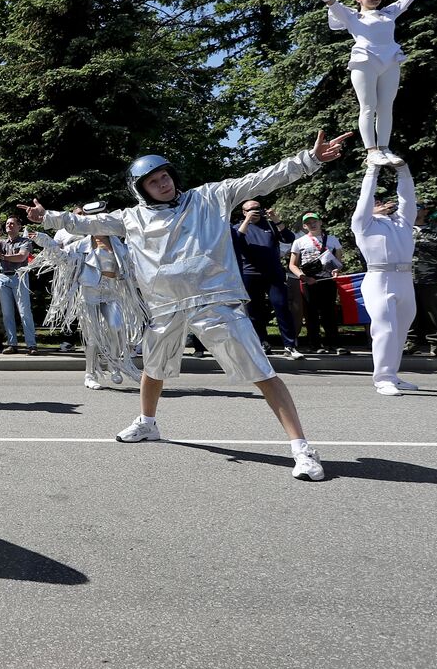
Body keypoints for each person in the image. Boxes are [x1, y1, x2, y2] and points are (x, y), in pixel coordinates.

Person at [23, 130, 352, 482]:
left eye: (165, 176)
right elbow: (86, 222)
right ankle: (147, 423)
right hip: (165, 306)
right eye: (153, 181)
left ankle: (302, 449)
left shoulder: (210, 197)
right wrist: (47, 217)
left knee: (262, 373)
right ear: (142, 189)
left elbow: (262, 178)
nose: (162, 184)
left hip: (215, 302)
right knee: (153, 368)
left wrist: (311, 159)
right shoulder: (132, 218)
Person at [298, 0, 437, 168]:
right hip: (365, 61)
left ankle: (384, 148)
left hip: (390, 60)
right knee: (368, 106)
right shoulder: (352, 16)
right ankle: (371, 151)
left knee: (386, 106)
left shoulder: (389, 12)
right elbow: (329, 0)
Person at [29, 227, 143, 390]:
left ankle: (114, 365)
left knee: (117, 327)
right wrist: (44, 240)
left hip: (111, 293)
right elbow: (62, 257)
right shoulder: (81, 245)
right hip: (89, 294)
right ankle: (90, 375)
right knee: (92, 337)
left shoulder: (120, 246)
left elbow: (132, 269)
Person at [351, 162, 420, 394]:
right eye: (375, 202)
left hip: (404, 278)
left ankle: (392, 374)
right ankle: (382, 379)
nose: (379, 203)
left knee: (401, 329)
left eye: (381, 201)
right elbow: (365, 197)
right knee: (385, 329)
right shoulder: (363, 224)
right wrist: (373, 170)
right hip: (379, 278)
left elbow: (408, 199)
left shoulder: (402, 222)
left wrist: (403, 170)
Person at [229, 199, 301, 358]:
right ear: (243, 212)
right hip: (250, 275)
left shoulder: (269, 225)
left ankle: (290, 346)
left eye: (257, 208)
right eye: (250, 210)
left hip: (273, 275)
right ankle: (262, 342)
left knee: (282, 307)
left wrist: (276, 219)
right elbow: (236, 241)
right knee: (255, 311)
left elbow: (288, 238)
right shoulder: (238, 227)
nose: (255, 211)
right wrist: (247, 221)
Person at [287, 213, 348, 356]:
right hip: (310, 281)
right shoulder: (299, 242)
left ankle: (334, 344)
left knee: (330, 313)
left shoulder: (332, 239)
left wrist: (336, 271)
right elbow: (292, 265)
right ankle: (314, 345)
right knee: (311, 314)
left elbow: (338, 263)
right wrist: (303, 277)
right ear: (304, 226)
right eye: (308, 223)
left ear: (320, 222)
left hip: (327, 281)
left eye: (315, 221)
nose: (312, 225)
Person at [407, 206, 437, 357]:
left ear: (425, 211)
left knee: (433, 313)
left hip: (431, 279)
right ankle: (410, 343)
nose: (415, 211)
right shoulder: (401, 230)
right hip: (405, 279)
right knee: (408, 313)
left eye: (418, 208)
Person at [0, 217, 36, 355]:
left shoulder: (24, 241)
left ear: (19, 226)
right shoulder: (2, 242)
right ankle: (12, 344)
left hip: (19, 277)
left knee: (24, 312)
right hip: (3, 278)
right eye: (7, 224)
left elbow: (21, 257)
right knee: (7, 314)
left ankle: (31, 345)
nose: (9, 226)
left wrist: (2, 257)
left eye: (12, 223)